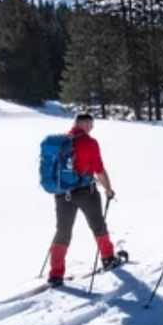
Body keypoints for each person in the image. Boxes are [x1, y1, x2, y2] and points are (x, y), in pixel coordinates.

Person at [48, 113, 118, 287]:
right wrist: (108, 189)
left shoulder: (60, 142)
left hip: (62, 192)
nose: (92, 127)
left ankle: (55, 274)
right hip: (86, 191)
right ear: (85, 124)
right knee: (98, 226)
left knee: (63, 231)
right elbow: (99, 170)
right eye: (91, 124)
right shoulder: (90, 143)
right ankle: (108, 258)